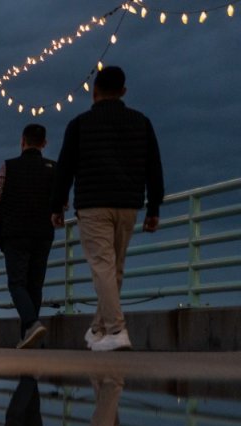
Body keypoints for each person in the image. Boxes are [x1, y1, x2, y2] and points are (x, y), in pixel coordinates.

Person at [50, 66, 164, 352]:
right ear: (123, 91)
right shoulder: (141, 122)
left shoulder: (79, 125)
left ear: (94, 92)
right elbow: (154, 167)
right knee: (115, 269)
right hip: (128, 204)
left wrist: (57, 205)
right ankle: (98, 329)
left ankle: (116, 330)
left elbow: (65, 169)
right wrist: (154, 207)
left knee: (103, 266)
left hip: (93, 203)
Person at [0, 124, 57, 349]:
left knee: (17, 282)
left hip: (15, 232)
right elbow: (61, 201)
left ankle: (31, 324)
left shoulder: (8, 166)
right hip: (43, 233)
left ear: (22, 141)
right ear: (44, 143)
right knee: (35, 284)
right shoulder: (53, 168)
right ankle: (28, 337)